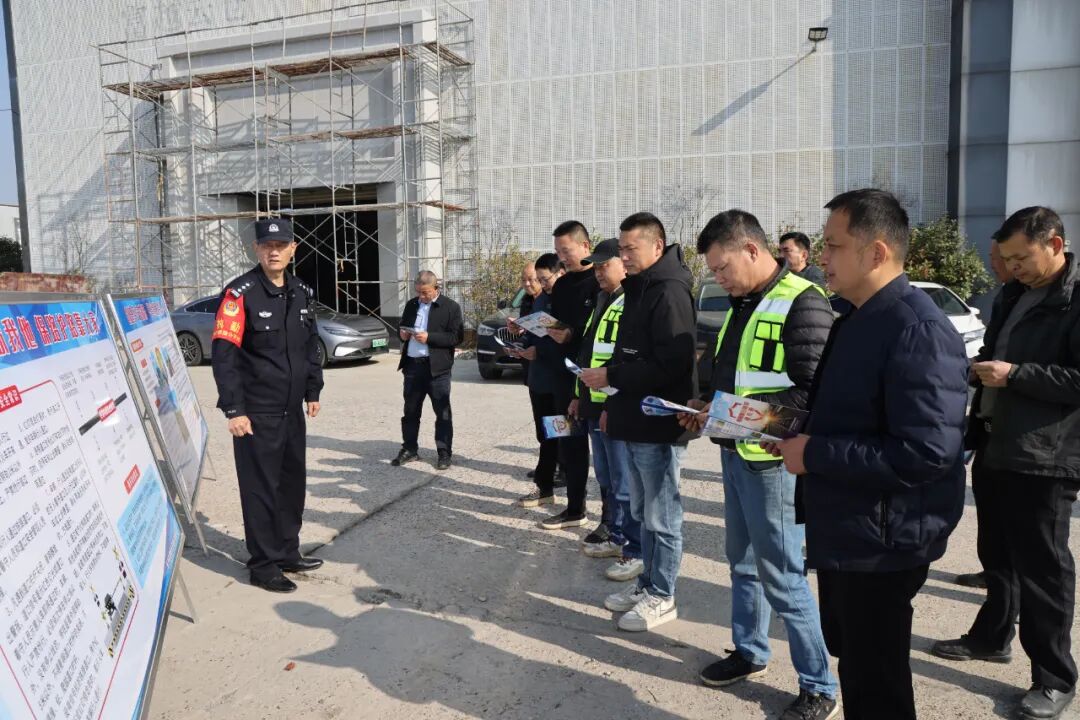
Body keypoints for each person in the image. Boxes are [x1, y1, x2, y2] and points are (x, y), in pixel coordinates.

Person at [772, 189, 969, 720]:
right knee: (857, 662)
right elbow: (848, 412)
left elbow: (926, 451)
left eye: (833, 246)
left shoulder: (917, 329)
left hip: (884, 540)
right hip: (852, 526)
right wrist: (786, 429)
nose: (822, 257)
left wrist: (816, 455)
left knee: (876, 681)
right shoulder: (857, 317)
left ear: (876, 252)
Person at [681, 211, 838, 719]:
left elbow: (812, 394)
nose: (719, 279)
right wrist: (710, 406)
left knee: (784, 576)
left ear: (751, 250)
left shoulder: (803, 301)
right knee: (743, 564)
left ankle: (819, 686)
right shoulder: (743, 304)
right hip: (736, 453)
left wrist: (736, 415)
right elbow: (735, 381)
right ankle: (750, 651)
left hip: (771, 463)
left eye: (722, 268)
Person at [932, 207, 1080, 720]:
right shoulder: (1013, 294)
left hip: (1045, 455)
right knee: (996, 554)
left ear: (1055, 244)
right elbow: (997, 354)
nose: (1011, 267)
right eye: (1006, 258)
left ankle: (1055, 678)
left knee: (1043, 569)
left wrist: (1015, 374)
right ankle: (992, 637)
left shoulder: (1074, 298)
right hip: (997, 442)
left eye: (1021, 257)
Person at [580, 212, 696, 633]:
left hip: (658, 422)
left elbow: (671, 365)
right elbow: (627, 353)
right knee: (644, 512)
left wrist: (611, 376)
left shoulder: (669, 292)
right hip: (632, 415)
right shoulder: (638, 288)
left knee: (662, 516)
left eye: (631, 248)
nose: (624, 256)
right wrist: (613, 403)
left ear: (657, 246)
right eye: (622, 248)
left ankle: (663, 595)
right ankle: (648, 583)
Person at [211, 218, 324, 594]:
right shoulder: (239, 294)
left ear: (293, 249)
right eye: (266, 246)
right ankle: (263, 564)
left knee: (291, 484)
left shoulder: (301, 292)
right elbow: (224, 355)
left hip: (292, 410)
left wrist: (313, 389)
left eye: (281, 245)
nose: (273, 252)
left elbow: (309, 346)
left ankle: (287, 551)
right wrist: (234, 409)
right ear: (256, 249)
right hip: (256, 413)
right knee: (260, 489)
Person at [568, 239, 644, 582]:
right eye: (595, 267)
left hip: (613, 406)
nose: (598, 272)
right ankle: (615, 535)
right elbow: (589, 353)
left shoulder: (631, 302)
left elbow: (624, 362)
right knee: (607, 477)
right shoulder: (603, 300)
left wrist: (613, 405)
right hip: (593, 403)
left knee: (624, 483)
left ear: (622, 264)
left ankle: (633, 549)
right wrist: (578, 396)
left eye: (604, 266)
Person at [954, 234, 1015, 591]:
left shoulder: (1059, 302)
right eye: (993, 257)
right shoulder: (1007, 297)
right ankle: (995, 575)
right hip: (988, 426)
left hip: (1024, 438)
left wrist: (1015, 374)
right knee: (991, 520)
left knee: (1021, 532)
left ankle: (1011, 592)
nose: (995, 265)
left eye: (1002, 258)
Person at [534, 221, 599, 531]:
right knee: (568, 443)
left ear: (585, 246)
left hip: (593, 379)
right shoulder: (560, 286)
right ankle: (575, 509)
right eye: (558, 252)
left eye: (566, 250)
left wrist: (572, 334)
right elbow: (557, 325)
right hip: (562, 378)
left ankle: (612, 522)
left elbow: (596, 331)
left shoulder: (600, 281)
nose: (562, 257)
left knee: (605, 453)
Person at [392, 271, 464, 470]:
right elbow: (402, 327)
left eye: (425, 292)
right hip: (412, 367)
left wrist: (429, 337)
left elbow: (456, 337)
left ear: (436, 288)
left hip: (437, 370)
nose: (421, 296)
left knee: (442, 413)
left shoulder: (450, 307)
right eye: (418, 292)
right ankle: (409, 449)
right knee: (410, 411)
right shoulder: (412, 305)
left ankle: (444, 453)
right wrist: (402, 334)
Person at [514, 253, 565, 507]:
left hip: (560, 382)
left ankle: (570, 495)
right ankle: (544, 487)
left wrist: (539, 351)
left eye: (544, 279)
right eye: (540, 280)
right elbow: (535, 335)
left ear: (560, 273)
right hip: (539, 380)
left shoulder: (569, 299)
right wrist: (522, 345)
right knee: (545, 435)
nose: (542, 284)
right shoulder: (540, 300)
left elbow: (569, 342)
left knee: (562, 436)